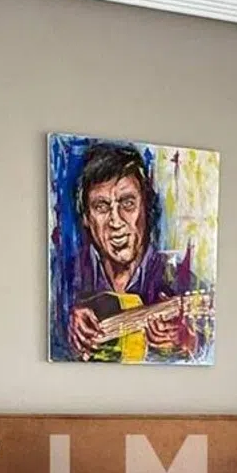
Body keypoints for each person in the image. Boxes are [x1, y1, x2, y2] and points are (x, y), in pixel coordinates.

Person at [62, 141, 196, 360]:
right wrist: (66, 324)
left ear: (146, 208)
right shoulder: (65, 280)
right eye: (101, 207)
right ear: (86, 217)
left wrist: (187, 341)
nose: (115, 222)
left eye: (128, 204)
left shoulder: (179, 279)